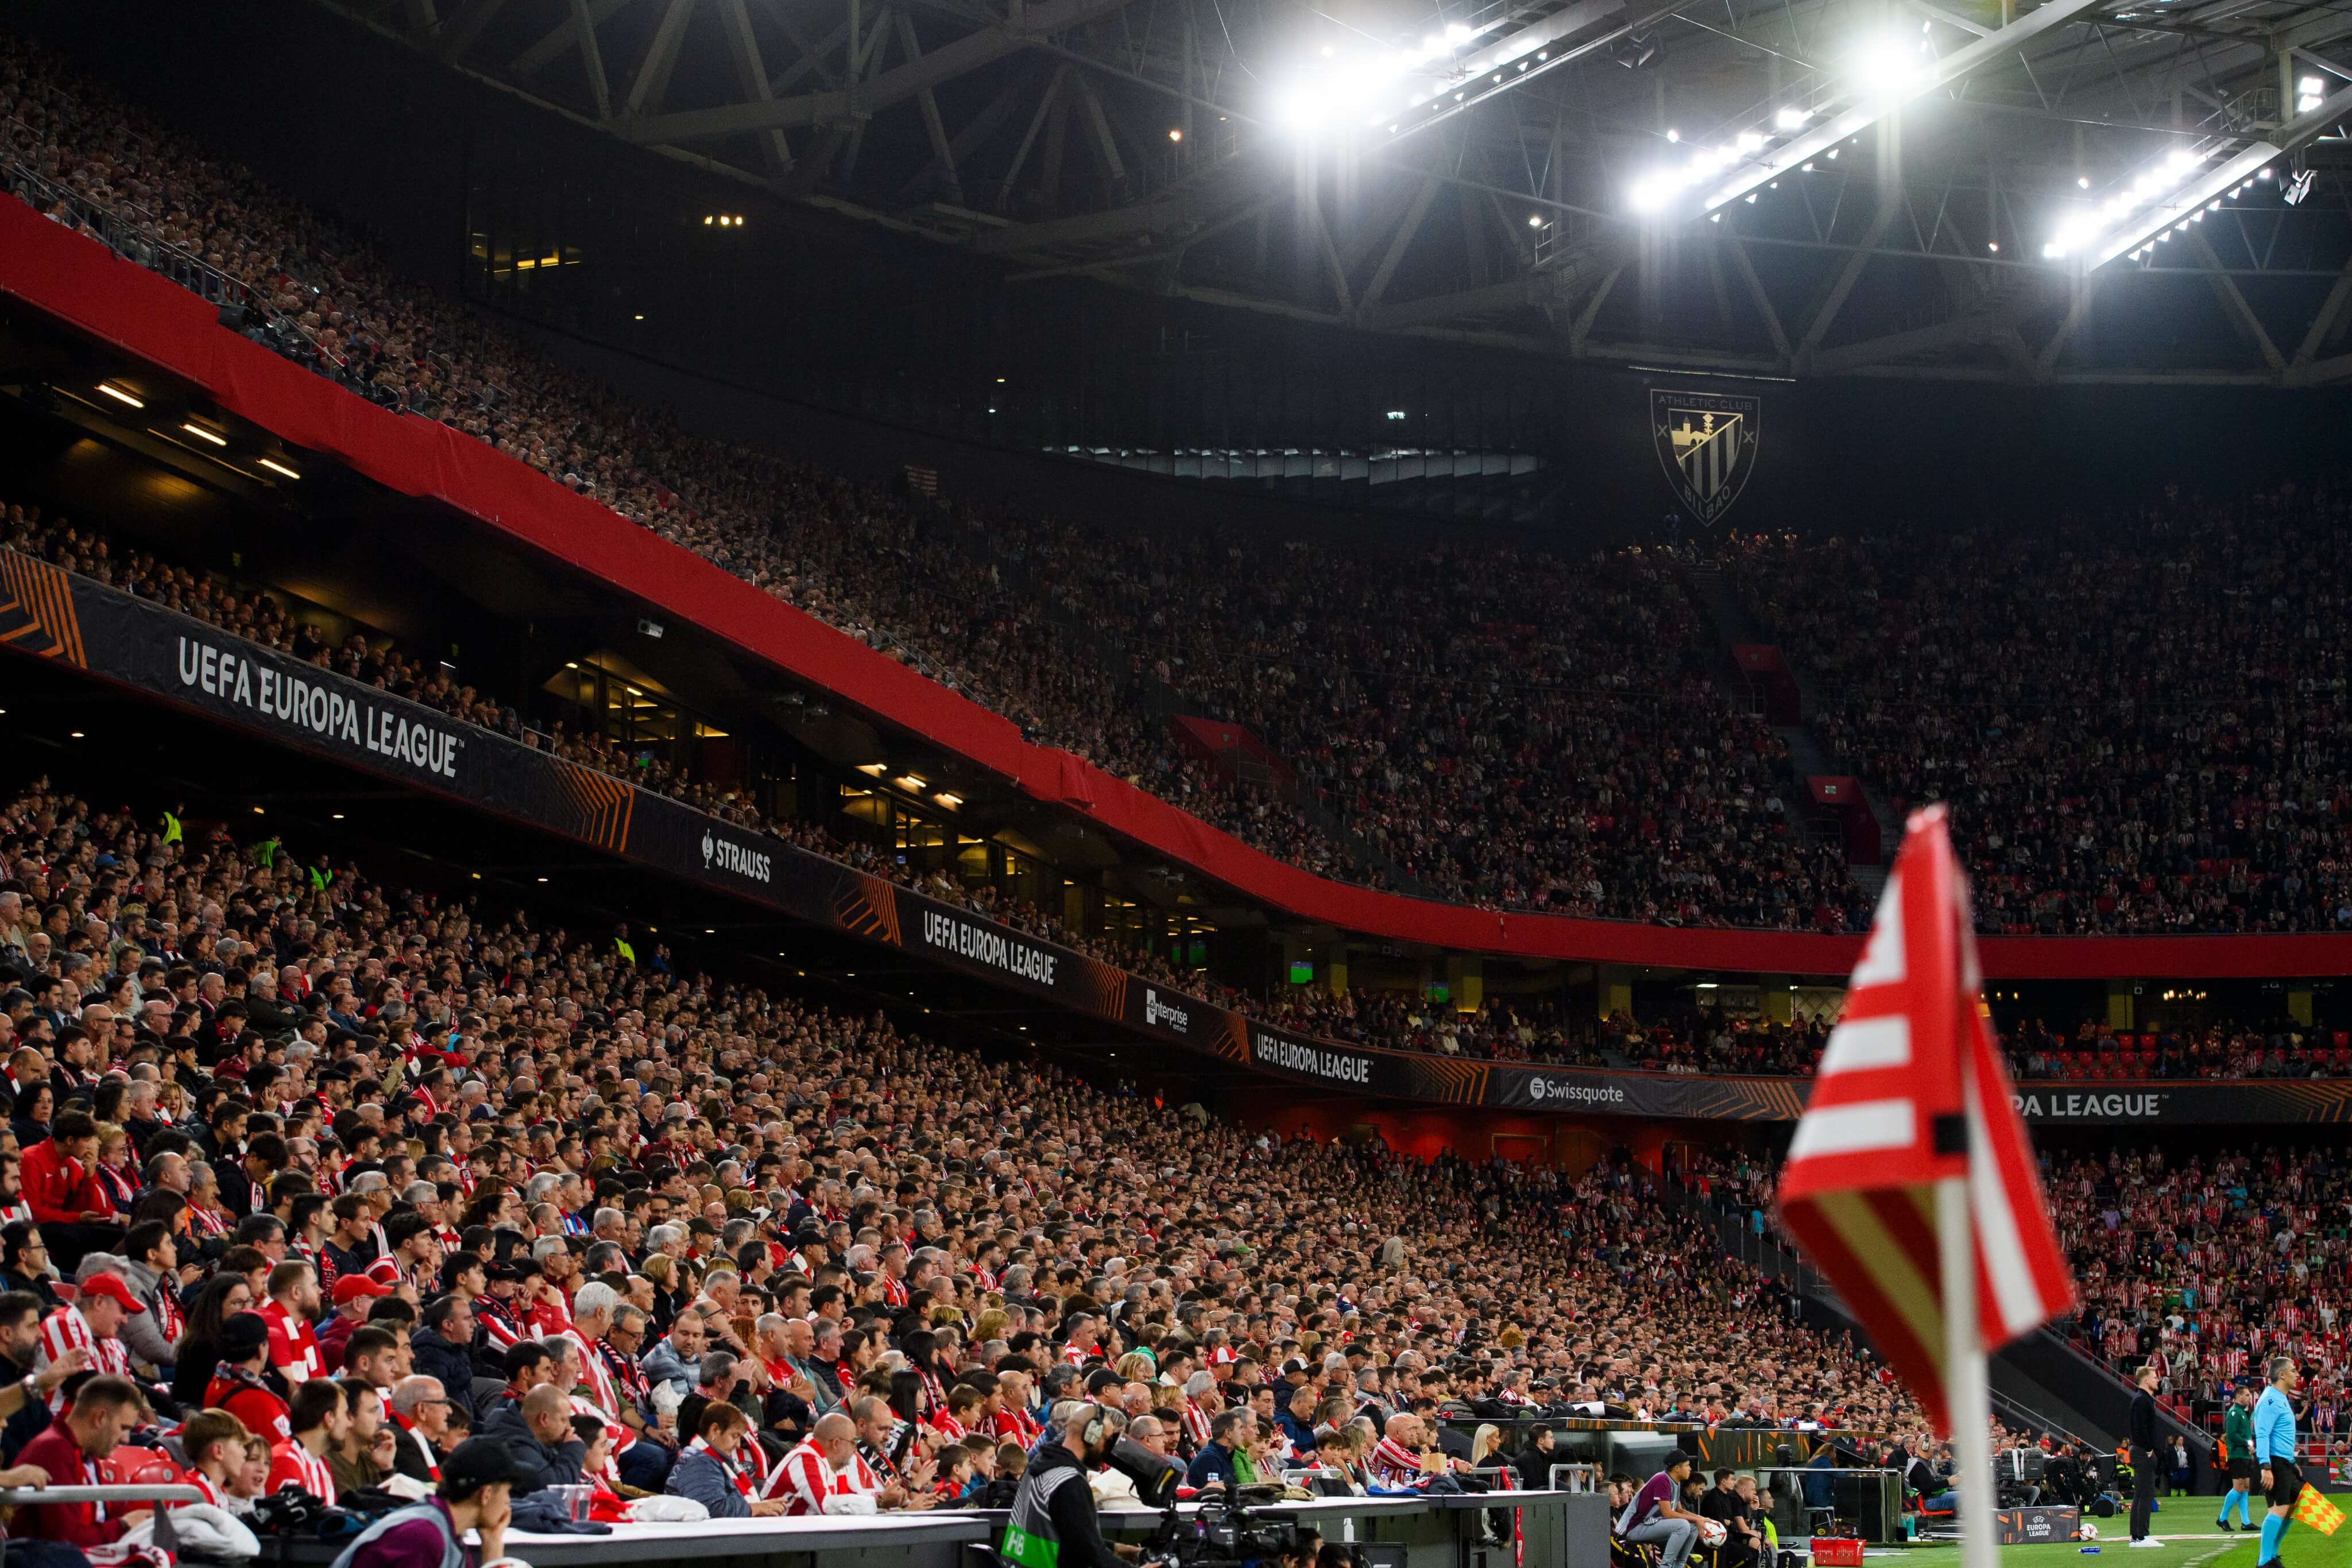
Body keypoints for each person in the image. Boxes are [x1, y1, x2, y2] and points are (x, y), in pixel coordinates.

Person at [326, 1437, 517, 1568]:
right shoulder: (423, 1536)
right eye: (507, 1492)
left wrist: (493, 1544)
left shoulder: (445, 1530)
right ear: (485, 1494)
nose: (508, 1502)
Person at [1000, 1399, 1136, 1568]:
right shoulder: (1069, 1482)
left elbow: (1072, 1537)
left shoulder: (1036, 1469)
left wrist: (1116, 1548)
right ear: (1091, 1436)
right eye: (1107, 1440)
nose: (1108, 1449)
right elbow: (1089, 1553)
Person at [16, 1375, 148, 1548]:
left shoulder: (87, 1455)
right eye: (123, 1428)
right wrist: (123, 1525)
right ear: (99, 1418)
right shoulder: (53, 1451)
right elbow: (66, 1542)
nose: (126, 1440)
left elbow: (108, 1516)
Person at [669, 1400, 787, 1517]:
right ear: (714, 1430)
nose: (738, 1445)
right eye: (735, 1436)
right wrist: (756, 1508)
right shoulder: (697, 1463)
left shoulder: (710, 1460)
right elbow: (711, 1509)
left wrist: (762, 1505)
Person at [769, 1410, 900, 1515]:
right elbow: (826, 1506)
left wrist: (900, 1506)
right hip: (772, 1541)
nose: (855, 1448)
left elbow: (853, 1498)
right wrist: (879, 1502)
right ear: (836, 1443)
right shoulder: (806, 1458)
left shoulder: (837, 1464)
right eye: (853, 1442)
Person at [1617, 1450, 1705, 1568]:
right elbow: (1667, 1514)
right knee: (1683, 1525)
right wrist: (1697, 1519)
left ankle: (1679, 1565)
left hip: (1649, 1525)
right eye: (1687, 1465)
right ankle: (1666, 1566)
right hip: (1633, 1528)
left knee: (1693, 1527)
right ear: (1677, 1468)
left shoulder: (1676, 1482)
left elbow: (1680, 1510)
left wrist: (1701, 1519)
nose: (1690, 1469)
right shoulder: (1662, 1480)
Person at [2254, 1356, 2301, 1568]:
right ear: (2282, 1375)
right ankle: (2264, 1562)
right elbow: (2262, 1434)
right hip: (2275, 1463)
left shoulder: (2280, 1397)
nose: (2297, 1374)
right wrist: (2266, 1466)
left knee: (2292, 1509)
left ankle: (2272, 1556)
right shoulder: (2270, 1400)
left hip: (2285, 1463)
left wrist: (2292, 1461)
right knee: (2279, 1509)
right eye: (2293, 1371)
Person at [2127, 1361, 2161, 1547]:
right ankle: (2142, 1536)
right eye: (2155, 1377)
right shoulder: (2142, 1400)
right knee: (2146, 1493)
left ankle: (2136, 1536)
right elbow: (2140, 1428)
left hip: (2140, 1450)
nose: (2157, 1380)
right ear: (2147, 1380)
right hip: (2142, 1451)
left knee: (2141, 1494)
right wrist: (2149, 1451)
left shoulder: (2142, 1399)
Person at [2218, 1384, 2257, 1532]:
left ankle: (2246, 1522)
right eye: (2247, 1395)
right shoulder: (2234, 1412)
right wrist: (2247, 1444)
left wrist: (2249, 1446)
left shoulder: (2242, 1413)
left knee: (2246, 1487)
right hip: (2237, 1455)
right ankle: (2222, 1518)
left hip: (2245, 1454)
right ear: (2238, 1396)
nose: (2249, 1398)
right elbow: (2233, 1434)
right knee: (2239, 1487)